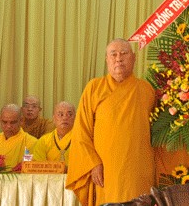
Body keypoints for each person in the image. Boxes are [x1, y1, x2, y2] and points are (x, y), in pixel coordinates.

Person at [66, 39, 156, 206]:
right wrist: (92, 163)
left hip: (138, 170)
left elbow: (160, 133)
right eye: (113, 54)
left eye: (124, 54)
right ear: (106, 59)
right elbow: (81, 131)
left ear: (134, 58)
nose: (118, 58)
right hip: (105, 171)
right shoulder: (94, 88)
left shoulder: (147, 90)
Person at [0, 104, 37, 169]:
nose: (8, 126)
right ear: (0, 120)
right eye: (4, 122)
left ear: (21, 120)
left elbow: (31, 170)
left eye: (13, 122)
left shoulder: (31, 142)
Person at [32, 101, 75, 166]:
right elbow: (38, 165)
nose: (65, 118)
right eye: (60, 114)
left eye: (69, 114)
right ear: (54, 119)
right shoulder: (44, 141)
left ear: (75, 118)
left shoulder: (82, 139)